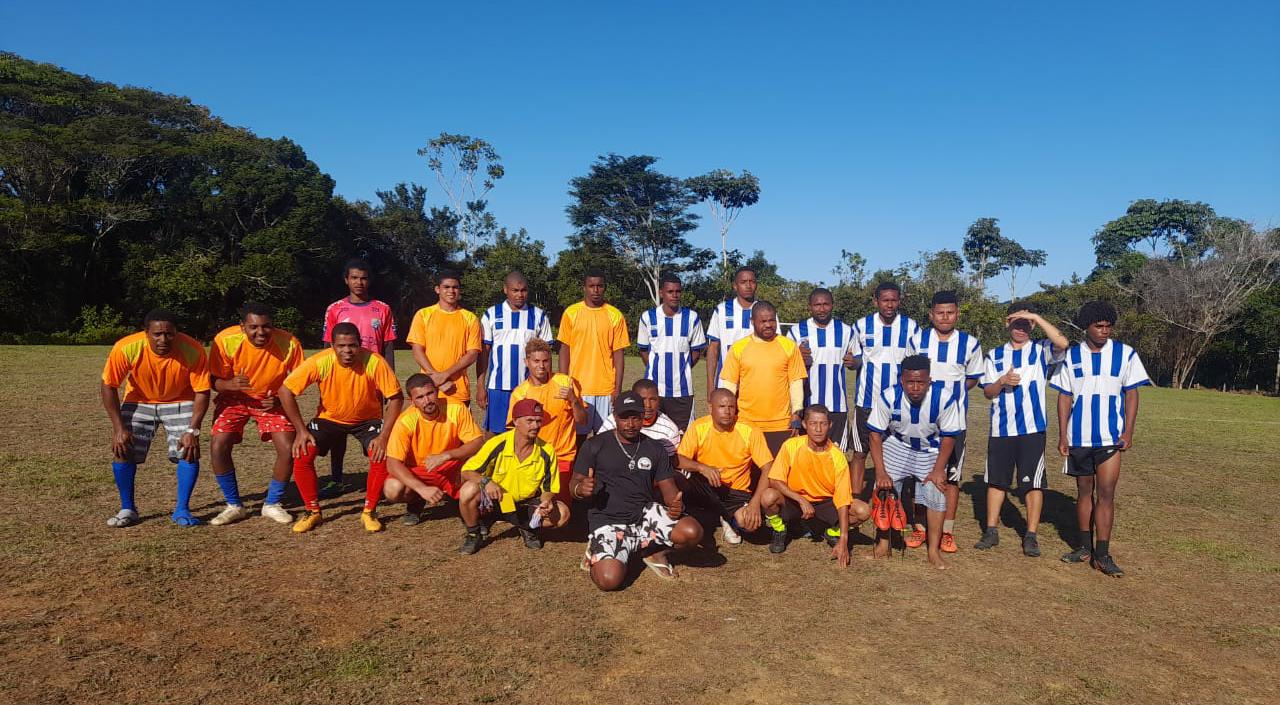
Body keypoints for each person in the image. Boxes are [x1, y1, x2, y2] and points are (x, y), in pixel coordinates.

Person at [1050, 301, 1151, 577]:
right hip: (1079, 437)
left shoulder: (1125, 354)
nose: (1105, 331)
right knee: (1084, 492)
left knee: (1106, 494)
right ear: (1087, 326)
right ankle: (1084, 547)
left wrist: (1128, 431)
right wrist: (1062, 434)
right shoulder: (1071, 357)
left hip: (1110, 438)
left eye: (1109, 326)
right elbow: (1064, 395)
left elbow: (1132, 393)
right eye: (1099, 326)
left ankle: (1103, 554)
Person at [278, 322, 404, 533]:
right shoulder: (320, 361)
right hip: (330, 419)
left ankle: (369, 512)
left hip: (367, 420)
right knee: (303, 451)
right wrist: (301, 430)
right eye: (341, 346)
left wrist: (384, 435)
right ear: (332, 345)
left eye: (352, 345)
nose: (347, 351)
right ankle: (312, 511)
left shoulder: (374, 361)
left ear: (360, 344)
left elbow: (396, 398)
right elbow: (285, 391)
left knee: (381, 451)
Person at [571, 393, 703, 590]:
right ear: (614, 416)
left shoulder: (654, 448)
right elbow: (574, 482)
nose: (630, 424)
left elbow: (668, 488)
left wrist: (676, 505)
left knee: (692, 532)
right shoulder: (595, 445)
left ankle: (654, 552)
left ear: (643, 417)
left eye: (636, 417)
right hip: (609, 520)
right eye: (624, 417)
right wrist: (580, 489)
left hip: (643, 515)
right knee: (609, 580)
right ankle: (599, 548)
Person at [100, 309, 211, 527]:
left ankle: (182, 509)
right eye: (157, 334)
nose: (163, 339)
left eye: (169, 334)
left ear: (176, 333)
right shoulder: (126, 347)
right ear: (146, 333)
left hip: (180, 400)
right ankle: (127, 508)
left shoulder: (192, 349)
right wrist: (119, 428)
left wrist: (193, 431)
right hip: (139, 400)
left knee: (188, 450)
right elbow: (108, 385)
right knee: (123, 449)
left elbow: (202, 391)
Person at [974, 303, 1068, 557]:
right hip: (1002, 429)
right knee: (997, 481)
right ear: (1008, 325)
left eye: (1026, 323)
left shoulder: (1040, 350)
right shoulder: (994, 356)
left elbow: (1063, 344)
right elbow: (987, 392)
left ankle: (1031, 535)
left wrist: (1036, 315)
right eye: (1017, 323)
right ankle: (991, 531)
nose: (1021, 328)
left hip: (1032, 429)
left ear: (1033, 325)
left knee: (1033, 483)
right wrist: (1002, 381)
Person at [206, 302, 304, 526]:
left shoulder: (289, 343)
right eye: (254, 327)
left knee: (288, 448)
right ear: (242, 327)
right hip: (234, 398)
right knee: (218, 445)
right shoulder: (225, 340)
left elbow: (299, 380)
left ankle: (272, 504)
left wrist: (279, 398)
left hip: (270, 400)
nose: (261, 332)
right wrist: (228, 384)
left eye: (266, 326)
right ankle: (233, 505)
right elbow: (212, 380)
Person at [903, 290, 984, 553]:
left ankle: (947, 532)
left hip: (953, 423)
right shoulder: (918, 340)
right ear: (931, 315)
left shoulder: (970, 343)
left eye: (950, 312)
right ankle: (920, 528)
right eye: (940, 312)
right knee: (918, 476)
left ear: (957, 314)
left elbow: (971, 378)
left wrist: (950, 399)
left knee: (951, 478)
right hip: (922, 421)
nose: (945, 317)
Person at [867, 355, 963, 569]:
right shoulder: (889, 396)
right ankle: (883, 543)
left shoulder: (944, 398)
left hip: (931, 449)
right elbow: (875, 435)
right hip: (898, 445)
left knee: (936, 493)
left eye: (921, 382)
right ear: (902, 380)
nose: (916, 387)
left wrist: (939, 469)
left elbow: (949, 437)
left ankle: (933, 551)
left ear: (930, 380)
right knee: (884, 491)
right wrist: (881, 472)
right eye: (910, 382)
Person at [321, 257, 398, 499]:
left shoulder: (382, 308)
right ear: (346, 280)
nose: (359, 282)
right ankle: (336, 479)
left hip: (372, 380)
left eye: (363, 278)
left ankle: (379, 479)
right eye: (354, 277)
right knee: (337, 429)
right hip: (339, 379)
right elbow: (327, 347)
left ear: (369, 280)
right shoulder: (335, 309)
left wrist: (388, 382)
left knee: (373, 432)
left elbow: (387, 347)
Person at [759, 405, 870, 565]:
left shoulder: (837, 457)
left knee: (863, 511)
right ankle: (779, 528)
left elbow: (842, 500)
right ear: (804, 425)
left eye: (823, 424)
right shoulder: (791, 445)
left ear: (830, 425)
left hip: (825, 502)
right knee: (768, 496)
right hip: (794, 500)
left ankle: (832, 532)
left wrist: (844, 541)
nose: (818, 429)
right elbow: (775, 480)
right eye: (813, 423)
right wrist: (800, 500)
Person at [457, 399, 570, 554]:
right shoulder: (497, 444)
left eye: (538, 421)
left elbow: (549, 488)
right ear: (516, 421)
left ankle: (527, 527)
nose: (536, 426)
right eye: (529, 421)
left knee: (562, 513)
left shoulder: (547, 451)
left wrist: (546, 502)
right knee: (468, 490)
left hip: (526, 503)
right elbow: (467, 471)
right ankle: (473, 533)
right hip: (498, 500)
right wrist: (486, 481)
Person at [675, 388, 775, 546]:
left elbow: (768, 467)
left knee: (750, 525)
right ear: (710, 408)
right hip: (704, 485)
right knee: (675, 481)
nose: (727, 412)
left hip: (735, 492)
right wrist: (702, 468)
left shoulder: (749, 430)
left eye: (731, 407)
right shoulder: (698, 427)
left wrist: (755, 503)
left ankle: (730, 520)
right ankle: (713, 516)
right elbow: (678, 459)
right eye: (722, 407)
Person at [382, 374, 485, 526]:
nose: (427, 400)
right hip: (420, 471)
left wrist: (448, 455)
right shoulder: (405, 421)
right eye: (420, 397)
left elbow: (477, 442)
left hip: (452, 467)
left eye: (430, 393)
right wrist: (421, 489)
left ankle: (470, 510)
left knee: (477, 479)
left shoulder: (456, 408)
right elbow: (392, 463)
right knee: (392, 489)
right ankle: (416, 500)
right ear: (412, 401)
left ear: (437, 392)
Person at [850, 281, 921, 499]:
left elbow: (916, 363)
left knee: (897, 452)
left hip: (898, 402)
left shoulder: (911, 327)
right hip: (867, 401)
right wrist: (852, 363)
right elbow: (855, 358)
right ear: (876, 301)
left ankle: (895, 499)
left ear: (899, 301)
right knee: (860, 452)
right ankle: (854, 500)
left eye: (893, 300)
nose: (889, 305)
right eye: (885, 300)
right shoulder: (861, 325)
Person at [719, 301, 807, 454]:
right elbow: (729, 385)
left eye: (771, 320)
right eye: (763, 321)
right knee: (748, 473)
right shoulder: (739, 347)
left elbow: (796, 382)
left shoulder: (789, 346)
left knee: (777, 473)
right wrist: (727, 414)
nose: (768, 325)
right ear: (753, 322)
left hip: (780, 424)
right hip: (746, 423)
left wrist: (797, 412)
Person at [508, 339, 587, 503]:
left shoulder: (565, 383)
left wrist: (573, 400)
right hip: (533, 457)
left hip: (562, 457)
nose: (541, 366)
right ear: (527, 362)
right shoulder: (520, 393)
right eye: (536, 361)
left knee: (560, 509)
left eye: (546, 361)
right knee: (525, 502)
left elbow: (583, 421)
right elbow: (513, 432)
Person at [476, 271, 554, 436]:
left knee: (530, 432)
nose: (520, 295)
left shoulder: (538, 315)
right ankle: (493, 462)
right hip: (498, 386)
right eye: (515, 290)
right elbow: (484, 354)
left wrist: (547, 385)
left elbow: (547, 354)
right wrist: (480, 386)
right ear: (505, 289)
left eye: (523, 290)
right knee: (494, 434)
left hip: (529, 387)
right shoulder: (491, 314)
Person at [557, 269, 629, 439]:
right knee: (577, 439)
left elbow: (619, 354)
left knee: (605, 439)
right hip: (578, 388)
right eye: (591, 286)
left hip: (605, 389)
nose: (595, 290)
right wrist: (563, 381)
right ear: (584, 287)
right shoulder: (571, 313)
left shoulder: (615, 315)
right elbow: (564, 349)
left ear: (604, 288)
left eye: (599, 286)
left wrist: (617, 389)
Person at [786, 287, 858, 448]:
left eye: (826, 304)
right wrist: (797, 357)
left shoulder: (846, 331)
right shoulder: (796, 332)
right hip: (807, 405)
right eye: (817, 305)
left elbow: (856, 360)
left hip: (836, 405)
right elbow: (785, 365)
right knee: (806, 453)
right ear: (810, 306)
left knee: (835, 452)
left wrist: (853, 362)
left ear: (832, 305)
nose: (822, 308)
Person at [637, 273, 706, 431]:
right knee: (651, 433)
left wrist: (683, 368)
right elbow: (643, 350)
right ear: (661, 292)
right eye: (670, 291)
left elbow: (697, 351)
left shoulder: (692, 317)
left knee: (681, 435)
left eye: (678, 291)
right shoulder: (648, 317)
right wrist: (656, 367)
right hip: (654, 390)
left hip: (682, 390)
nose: (674, 295)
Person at [407, 270, 482, 406]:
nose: (451, 291)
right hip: (428, 391)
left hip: (457, 390)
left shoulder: (470, 318)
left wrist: (445, 375)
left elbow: (472, 354)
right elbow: (417, 350)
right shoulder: (423, 314)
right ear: (437, 289)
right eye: (446, 287)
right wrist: (436, 378)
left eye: (455, 287)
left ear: (459, 291)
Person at [705, 266, 758, 397]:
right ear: (735, 286)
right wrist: (711, 384)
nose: (748, 285)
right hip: (726, 382)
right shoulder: (721, 310)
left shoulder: (764, 311)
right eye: (743, 282)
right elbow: (713, 348)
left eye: (752, 281)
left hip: (756, 382)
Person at [598, 379, 684, 459]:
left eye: (653, 399)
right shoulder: (615, 420)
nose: (648, 405)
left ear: (659, 400)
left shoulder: (669, 429)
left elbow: (670, 460)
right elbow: (598, 448)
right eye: (643, 399)